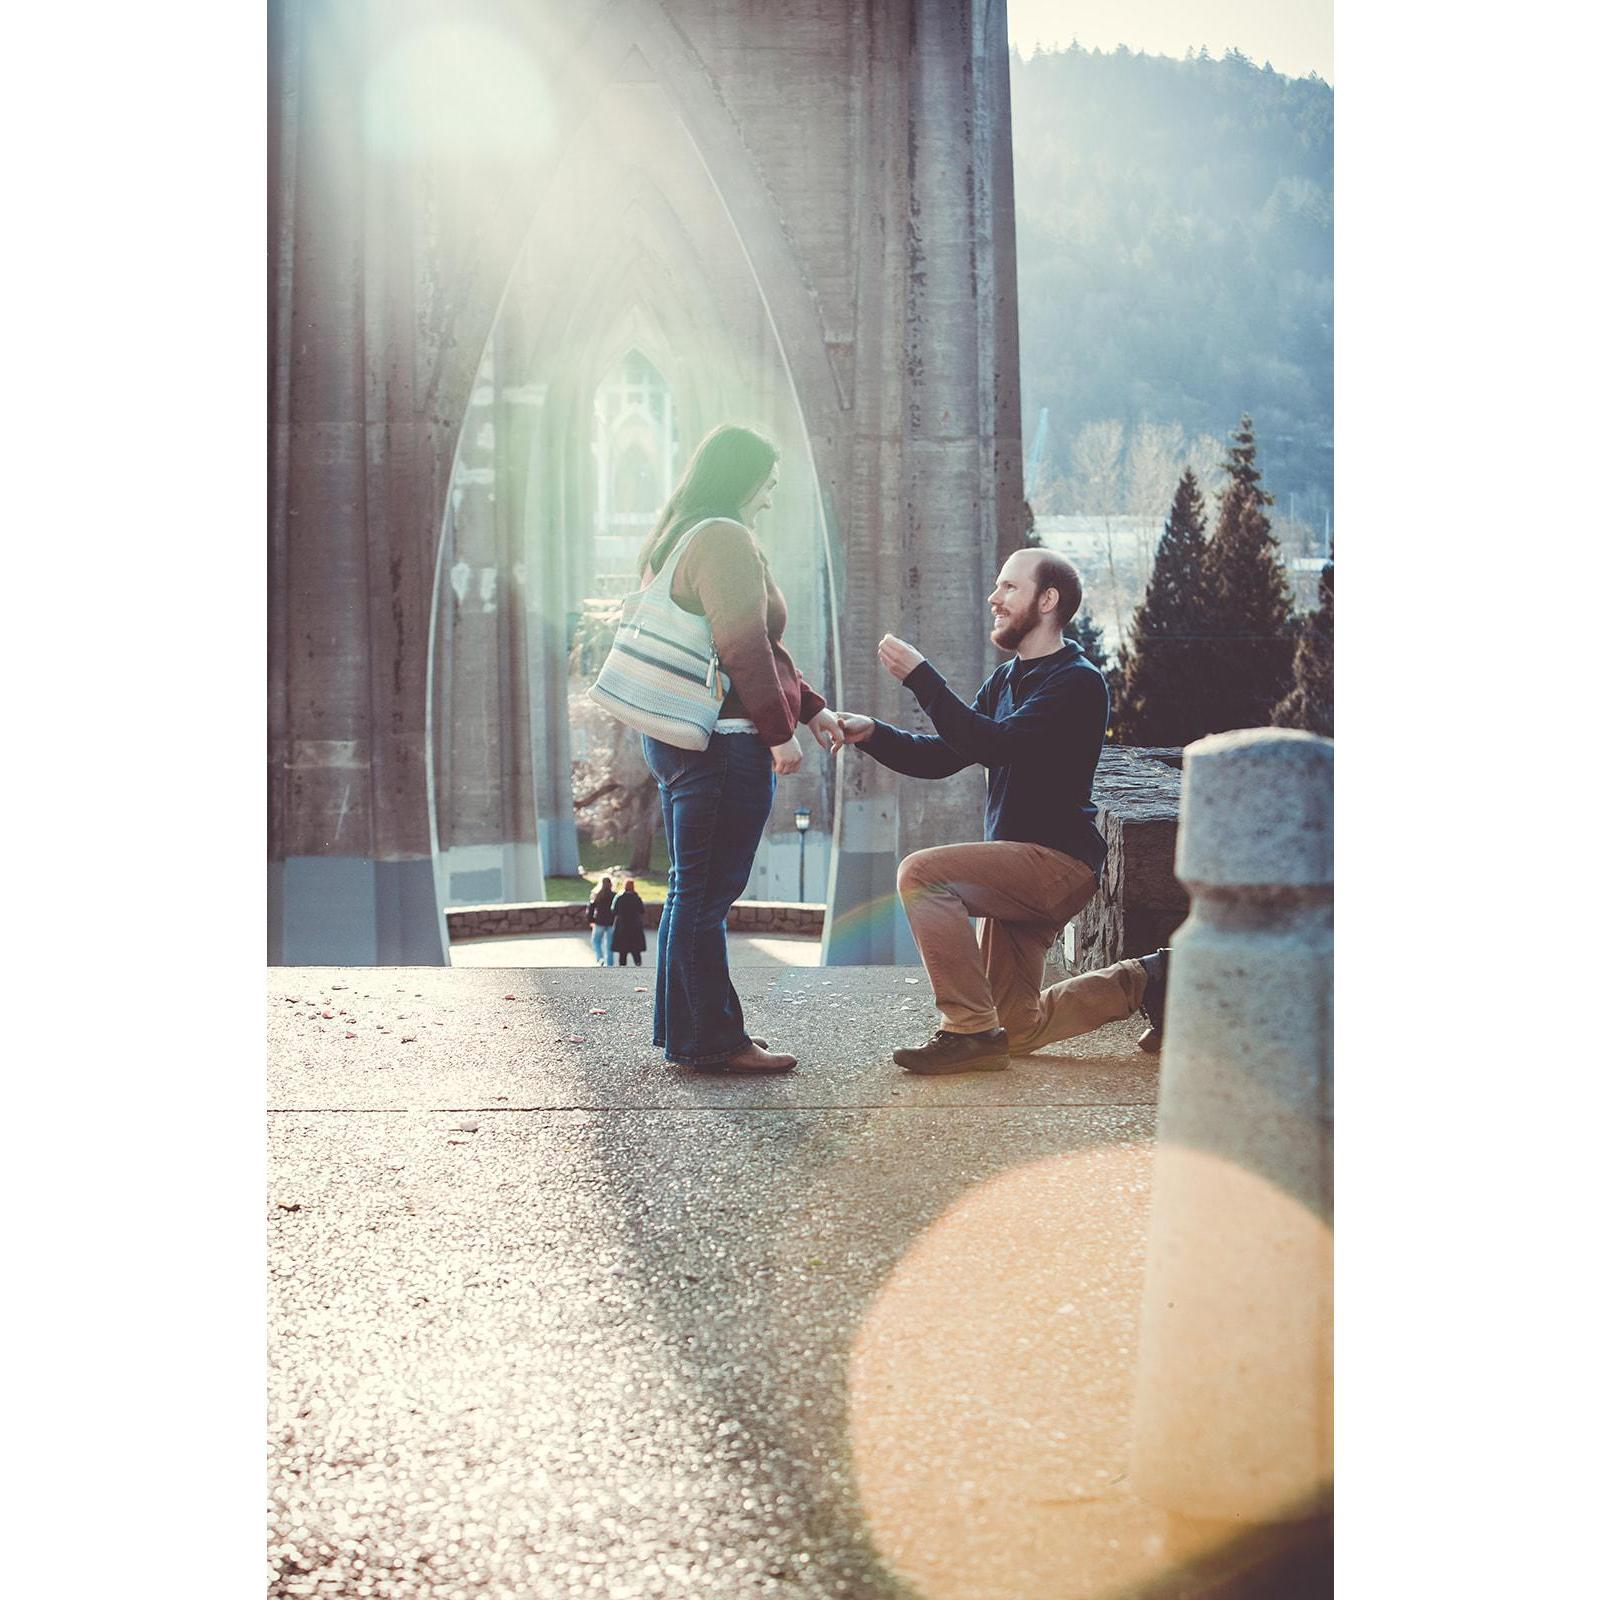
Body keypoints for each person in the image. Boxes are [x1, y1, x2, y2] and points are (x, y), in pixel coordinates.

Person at [837, 547, 1170, 1074]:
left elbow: (996, 744)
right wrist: (874, 734)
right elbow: (948, 754)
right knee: (1016, 1028)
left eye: (1009, 588)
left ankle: (965, 1031)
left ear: (1048, 600)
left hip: (1056, 864)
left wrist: (923, 677)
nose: (994, 598)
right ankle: (1152, 978)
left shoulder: (1076, 682)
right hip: (1018, 869)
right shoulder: (1008, 680)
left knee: (922, 874)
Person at [637, 424, 844, 1073]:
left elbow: (754, 643)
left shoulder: (674, 538)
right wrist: (780, 735)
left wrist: (811, 709)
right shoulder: (725, 540)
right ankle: (715, 1041)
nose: (772, 495)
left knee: (687, 891)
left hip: (678, 738)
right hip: (723, 743)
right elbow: (742, 647)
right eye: (769, 483)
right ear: (743, 478)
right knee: (706, 897)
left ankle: (686, 1034)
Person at [610, 878, 647, 967]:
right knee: (635, 948)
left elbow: (614, 911)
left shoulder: (619, 898)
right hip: (635, 926)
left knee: (622, 949)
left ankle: (622, 966)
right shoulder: (636, 897)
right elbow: (642, 910)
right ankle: (638, 964)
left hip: (622, 925)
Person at [585, 876, 616, 966]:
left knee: (596, 941)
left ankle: (600, 958)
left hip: (599, 922)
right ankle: (610, 963)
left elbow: (590, 909)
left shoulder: (597, 895)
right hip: (611, 922)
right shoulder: (614, 895)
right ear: (611, 884)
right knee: (610, 944)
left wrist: (591, 920)